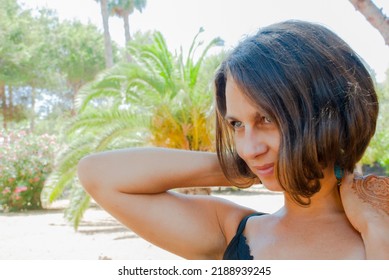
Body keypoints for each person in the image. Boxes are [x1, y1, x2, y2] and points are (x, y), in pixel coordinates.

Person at [77, 20, 389, 259]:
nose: (249, 147)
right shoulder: (233, 232)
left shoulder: (379, 228)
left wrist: (377, 231)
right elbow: (98, 175)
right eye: (237, 124)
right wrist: (241, 167)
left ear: (327, 112)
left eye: (266, 119)